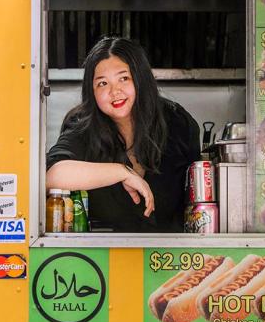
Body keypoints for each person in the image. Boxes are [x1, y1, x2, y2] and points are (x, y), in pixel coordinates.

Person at [46, 37, 201, 232]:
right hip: (101, 257)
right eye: (102, 83)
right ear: (91, 90)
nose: (114, 91)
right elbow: (51, 175)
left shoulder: (177, 123)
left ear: (140, 79)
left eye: (124, 78)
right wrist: (121, 172)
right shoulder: (82, 126)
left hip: (169, 258)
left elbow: (198, 200)